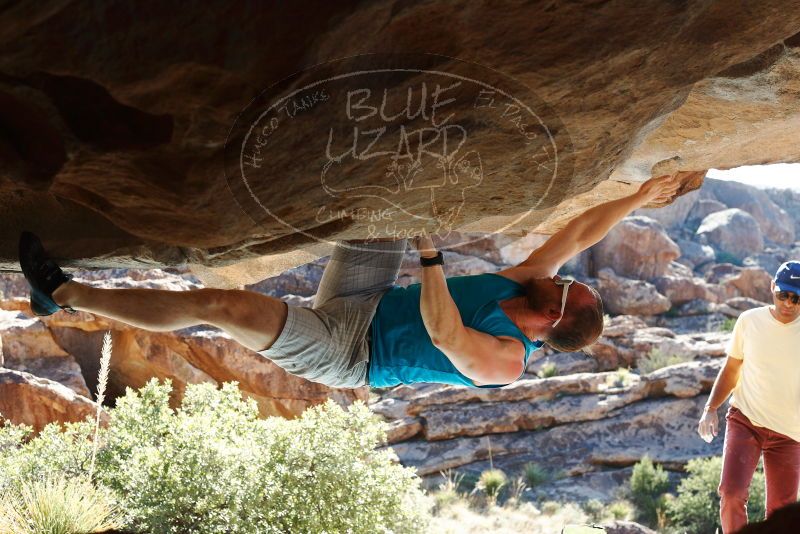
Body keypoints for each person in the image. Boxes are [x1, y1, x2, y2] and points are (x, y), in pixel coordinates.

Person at [19, 174, 681, 389]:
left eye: (571, 291)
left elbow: (445, 329)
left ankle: (63, 294)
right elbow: (578, 235)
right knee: (386, 195)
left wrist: (428, 254)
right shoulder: (531, 284)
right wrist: (644, 192)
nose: (563, 279)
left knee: (217, 306)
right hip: (365, 301)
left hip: (347, 353)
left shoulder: (508, 361)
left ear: (558, 318)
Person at [698, 261, 800, 533]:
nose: (789, 303)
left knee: (782, 512)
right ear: (772, 288)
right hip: (746, 420)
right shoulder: (749, 321)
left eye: (797, 298)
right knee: (731, 494)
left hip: (790, 434)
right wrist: (711, 407)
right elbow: (732, 369)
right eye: (783, 295)